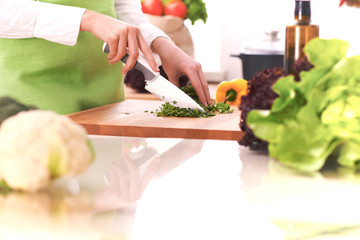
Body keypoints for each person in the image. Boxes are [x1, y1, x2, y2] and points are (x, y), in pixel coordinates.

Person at [0, 0, 211, 114]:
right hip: (30, 104)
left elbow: (121, 7)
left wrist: (161, 43)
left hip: (106, 104)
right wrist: (87, 19)